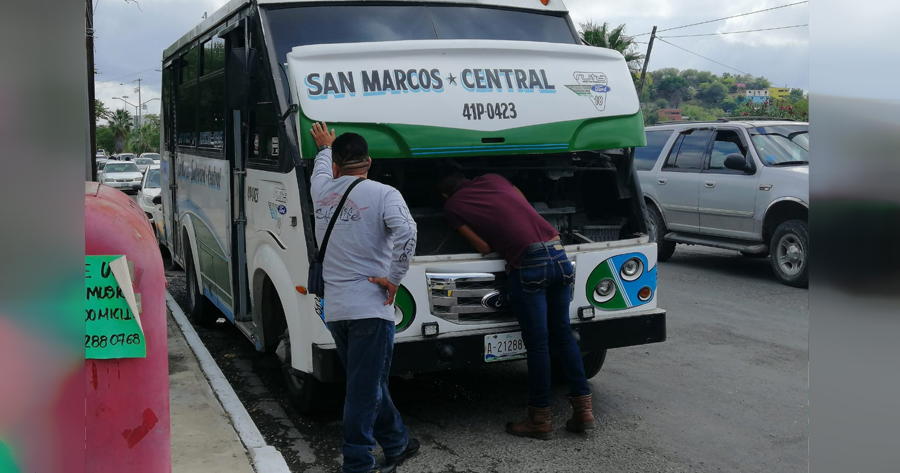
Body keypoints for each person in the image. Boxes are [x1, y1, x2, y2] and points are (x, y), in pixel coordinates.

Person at [437, 168, 595, 440]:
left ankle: (539, 419)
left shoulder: (452, 206)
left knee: (537, 344)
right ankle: (583, 411)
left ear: (444, 194)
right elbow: (521, 201)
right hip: (558, 254)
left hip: (529, 264)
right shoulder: (494, 178)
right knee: (564, 335)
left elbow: (483, 246)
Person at [310, 122, 420, 473]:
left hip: (335, 310)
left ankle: (397, 441)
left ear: (339, 166)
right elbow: (408, 231)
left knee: (367, 381)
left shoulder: (320, 191)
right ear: (369, 162)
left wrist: (325, 147)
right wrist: (394, 278)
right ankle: (357, 462)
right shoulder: (384, 194)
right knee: (363, 388)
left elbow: (321, 168)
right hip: (371, 309)